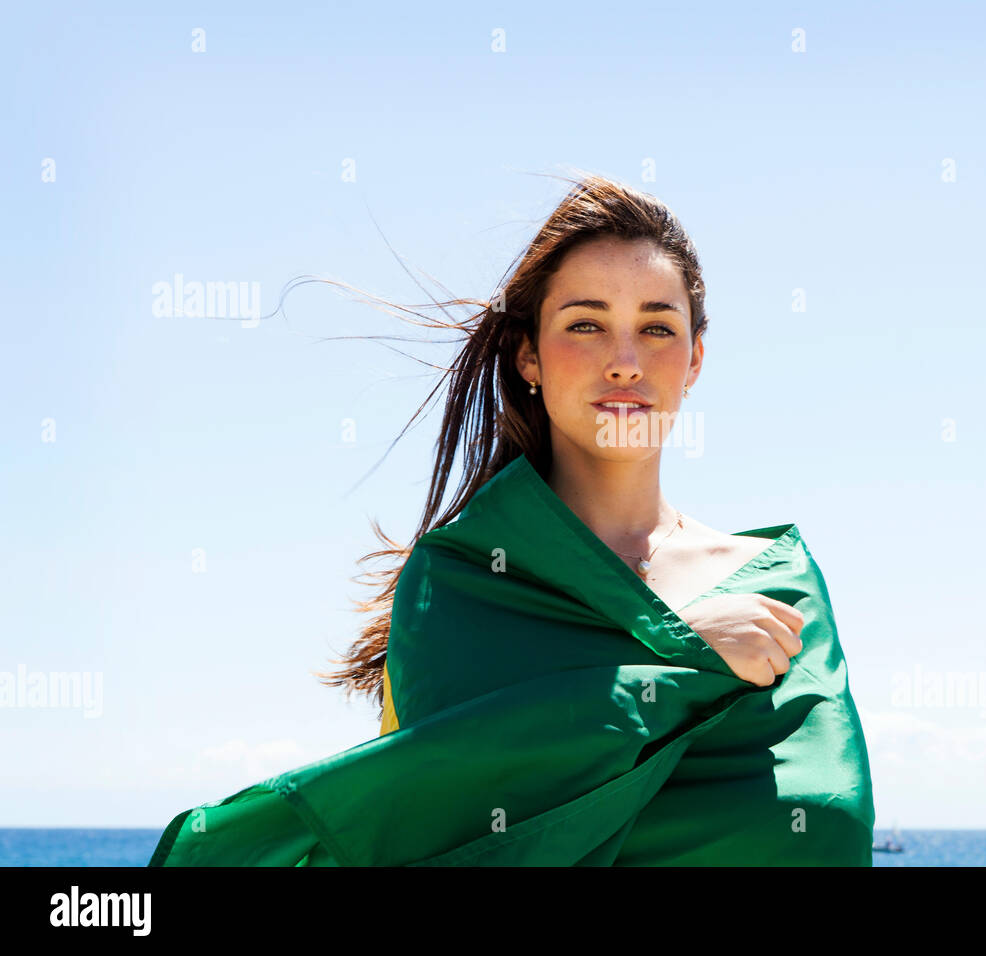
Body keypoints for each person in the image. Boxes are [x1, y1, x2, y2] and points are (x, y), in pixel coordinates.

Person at [149, 172, 874, 866]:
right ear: (529, 355)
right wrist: (682, 662)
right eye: (586, 324)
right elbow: (436, 831)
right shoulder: (460, 585)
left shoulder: (783, 587)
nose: (625, 361)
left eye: (657, 329)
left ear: (695, 361)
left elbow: (830, 828)